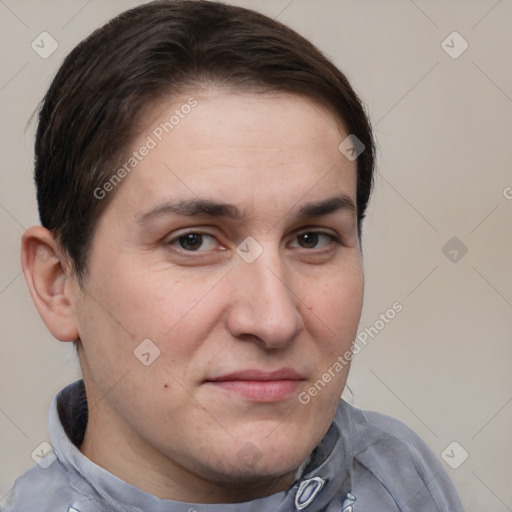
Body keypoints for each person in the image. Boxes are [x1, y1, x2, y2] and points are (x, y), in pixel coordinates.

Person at [4, 1, 465, 510]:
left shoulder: (400, 476)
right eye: (193, 241)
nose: (275, 320)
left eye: (311, 238)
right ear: (59, 284)